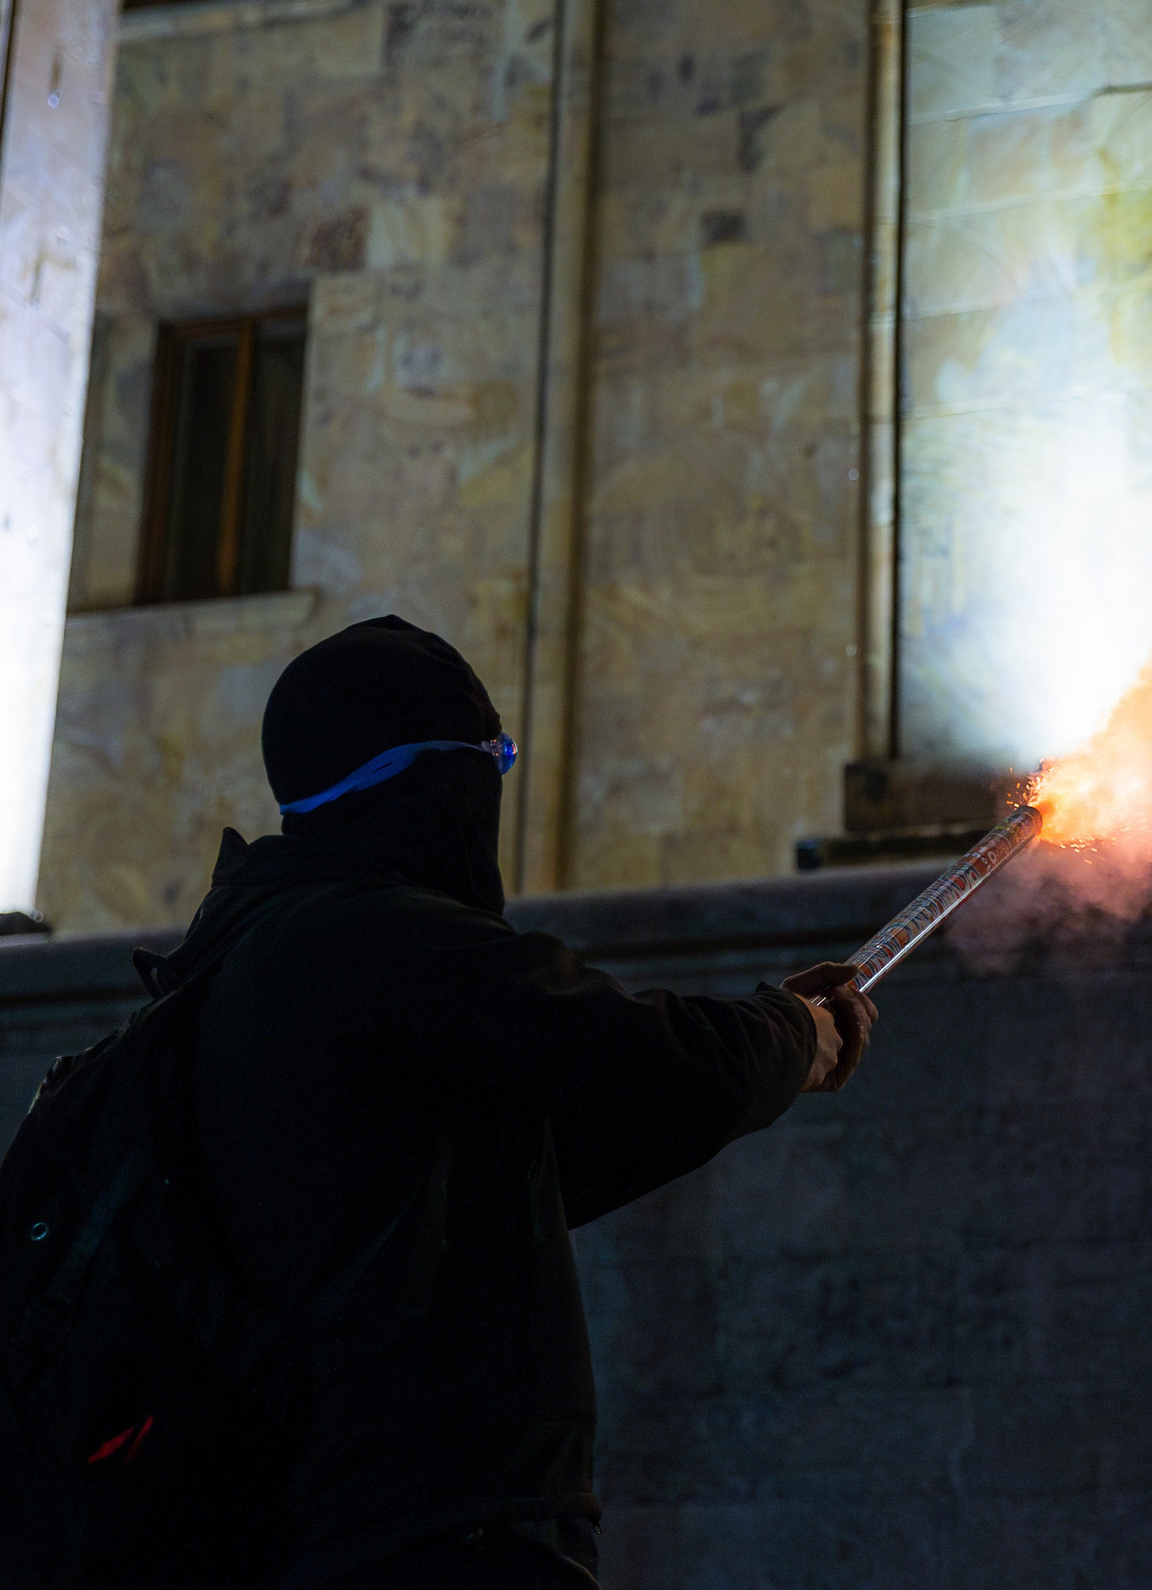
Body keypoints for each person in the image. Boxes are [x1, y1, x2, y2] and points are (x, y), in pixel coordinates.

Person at [148, 615, 874, 1587]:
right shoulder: (377, 942)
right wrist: (800, 1037)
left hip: (353, 1530)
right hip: (438, 1535)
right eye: (495, 758)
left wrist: (775, 1045)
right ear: (442, 776)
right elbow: (641, 1058)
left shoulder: (257, 955)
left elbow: (506, 1181)